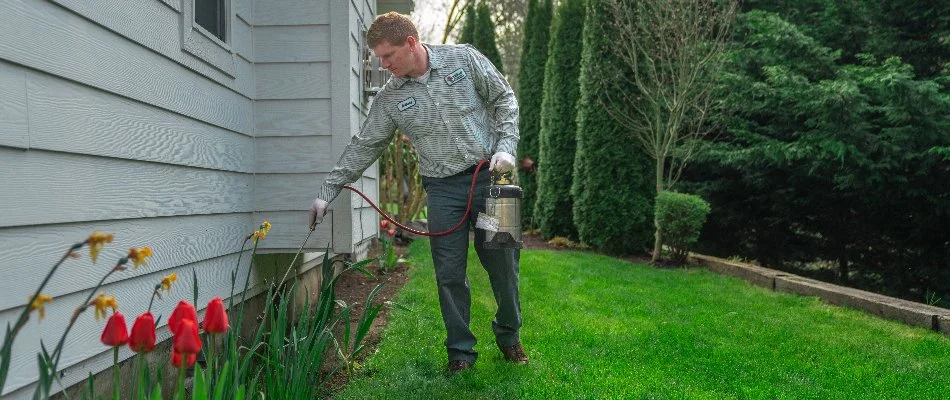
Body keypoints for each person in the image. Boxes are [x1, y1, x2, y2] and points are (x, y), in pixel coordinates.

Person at [308, 12, 526, 374]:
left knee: (504, 267)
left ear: (411, 43)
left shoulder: (464, 58)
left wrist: (507, 147)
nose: (384, 64)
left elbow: (505, 99)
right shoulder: (390, 97)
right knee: (449, 272)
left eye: (388, 55)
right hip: (442, 189)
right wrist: (327, 191)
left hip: (493, 179)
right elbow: (365, 145)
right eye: (379, 58)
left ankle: (509, 335)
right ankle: (460, 351)